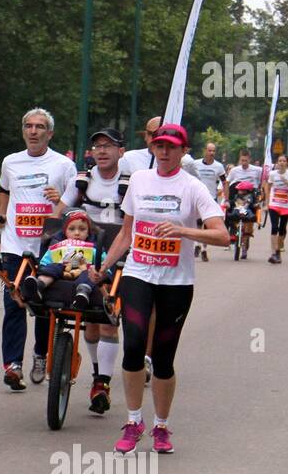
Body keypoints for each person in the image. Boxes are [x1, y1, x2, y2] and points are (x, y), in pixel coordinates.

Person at [96, 123, 228, 455]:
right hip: (138, 274)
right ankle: (134, 421)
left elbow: (222, 235)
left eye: (172, 147)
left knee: (164, 359)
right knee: (134, 346)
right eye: (159, 146)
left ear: (184, 151)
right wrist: (104, 267)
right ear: (153, 148)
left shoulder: (193, 187)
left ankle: (162, 426)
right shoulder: (139, 180)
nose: (165, 152)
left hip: (176, 283)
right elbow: (127, 233)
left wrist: (185, 232)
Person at [0, 108, 77, 390]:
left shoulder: (63, 165)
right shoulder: (10, 162)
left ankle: (41, 355)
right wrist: (1, 219)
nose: (33, 131)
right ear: (23, 131)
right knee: (14, 302)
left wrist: (60, 203)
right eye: (28, 126)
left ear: (50, 133)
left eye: (40, 127)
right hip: (14, 243)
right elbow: (4, 190)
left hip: (47, 247)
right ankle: (13, 365)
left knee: (43, 305)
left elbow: (74, 198)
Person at [60, 127, 126, 414]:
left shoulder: (131, 183)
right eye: (97, 146)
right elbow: (58, 213)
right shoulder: (81, 181)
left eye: (108, 146)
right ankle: (96, 371)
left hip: (119, 258)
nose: (101, 151)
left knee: (109, 319)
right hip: (82, 256)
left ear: (120, 151)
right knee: (88, 318)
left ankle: (102, 383)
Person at [18, 209, 112, 310]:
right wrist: (44, 267)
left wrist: (102, 271)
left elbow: (104, 264)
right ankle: (39, 285)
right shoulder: (58, 245)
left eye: (82, 229)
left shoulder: (95, 247)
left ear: (88, 232)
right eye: (72, 229)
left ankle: (82, 293)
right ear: (65, 232)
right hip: (62, 271)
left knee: (91, 272)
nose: (77, 233)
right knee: (54, 267)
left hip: (84, 271)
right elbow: (46, 260)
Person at [120, 116, 199, 178]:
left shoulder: (187, 162)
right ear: (145, 135)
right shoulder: (128, 158)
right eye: (151, 134)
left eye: (160, 134)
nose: (155, 138)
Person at [191, 142, 227, 262]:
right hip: (197, 197)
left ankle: (204, 249)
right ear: (205, 151)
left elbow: (225, 182)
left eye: (214, 151)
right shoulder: (195, 164)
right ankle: (196, 244)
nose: (211, 153)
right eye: (209, 150)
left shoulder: (219, 166)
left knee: (207, 226)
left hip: (211, 198)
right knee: (197, 223)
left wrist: (226, 198)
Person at [225, 149, 263, 259]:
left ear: (249, 160)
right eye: (242, 160)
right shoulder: (235, 171)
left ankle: (245, 243)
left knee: (249, 221)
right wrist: (227, 199)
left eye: (246, 160)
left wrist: (261, 197)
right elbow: (227, 183)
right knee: (231, 212)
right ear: (239, 159)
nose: (244, 163)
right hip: (238, 196)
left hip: (251, 197)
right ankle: (234, 232)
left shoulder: (257, 170)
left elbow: (264, 181)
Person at [263, 154, 288, 264]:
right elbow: (268, 187)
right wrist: (267, 202)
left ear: (287, 163)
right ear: (277, 163)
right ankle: (274, 253)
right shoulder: (272, 174)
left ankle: (278, 251)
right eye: (279, 161)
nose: (281, 163)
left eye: (283, 161)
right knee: (274, 227)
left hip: (286, 206)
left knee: (282, 230)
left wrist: (287, 182)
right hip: (274, 204)